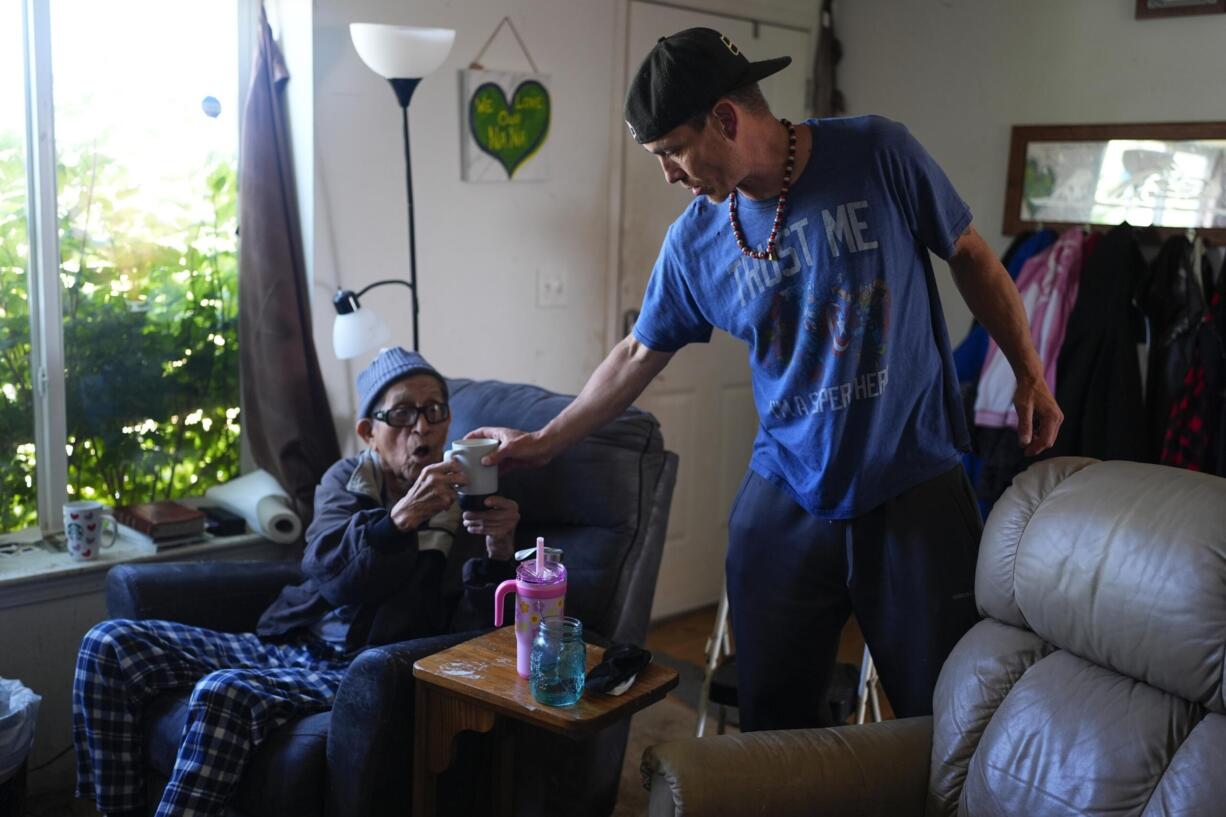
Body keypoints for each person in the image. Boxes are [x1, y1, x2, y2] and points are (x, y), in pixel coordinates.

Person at [468, 28, 1063, 731]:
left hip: (911, 480)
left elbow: (969, 254)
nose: (668, 174)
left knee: (949, 716)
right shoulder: (696, 240)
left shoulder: (877, 153)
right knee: (773, 723)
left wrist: (1030, 371)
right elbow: (637, 351)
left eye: (671, 152)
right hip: (787, 488)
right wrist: (543, 439)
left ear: (725, 119)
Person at [73, 348, 519, 817]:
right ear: (369, 431)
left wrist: (500, 551)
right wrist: (398, 519)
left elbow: (478, 634)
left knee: (224, 690)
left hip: (358, 669)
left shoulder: (466, 504)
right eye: (403, 413)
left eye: (435, 411)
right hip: (291, 642)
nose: (422, 428)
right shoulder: (345, 479)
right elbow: (329, 576)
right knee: (108, 644)